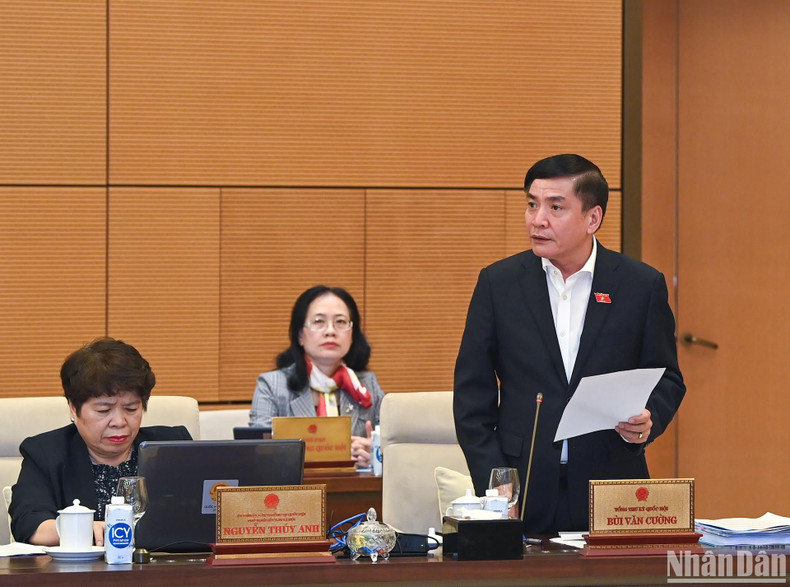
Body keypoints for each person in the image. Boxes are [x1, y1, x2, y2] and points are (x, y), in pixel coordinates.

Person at [453, 154, 685, 533]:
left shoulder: (640, 286)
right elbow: (471, 396)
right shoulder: (499, 284)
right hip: (521, 489)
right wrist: (497, 486)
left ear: (593, 218)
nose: (537, 219)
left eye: (555, 207)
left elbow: (668, 378)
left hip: (611, 487)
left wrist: (649, 419)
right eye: (532, 204)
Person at [9, 338, 192, 546]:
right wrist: (80, 528)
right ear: (73, 409)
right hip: (80, 575)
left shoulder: (173, 446)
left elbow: (204, 515)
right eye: (104, 410)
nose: (119, 422)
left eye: (131, 408)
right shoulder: (46, 452)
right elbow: (29, 525)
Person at [250, 285, 384, 467]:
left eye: (341, 322)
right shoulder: (273, 385)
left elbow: (395, 447)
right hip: (295, 491)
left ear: (352, 335)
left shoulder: (368, 385)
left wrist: (376, 453)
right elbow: (257, 452)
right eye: (319, 321)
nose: (330, 331)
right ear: (300, 336)